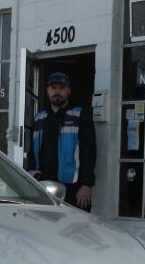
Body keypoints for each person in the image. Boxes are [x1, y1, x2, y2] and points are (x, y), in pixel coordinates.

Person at [27, 71, 96, 210]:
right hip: (43, 186)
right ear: (47, 90)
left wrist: (87, 184)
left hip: (73, 188)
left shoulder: (80, 115)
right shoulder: (40, 117)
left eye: (61, 88)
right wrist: (30, 176)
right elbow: (32, 152)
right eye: (53, 88)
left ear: (68, 91)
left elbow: (90, 151)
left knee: (75, 229)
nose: (57, 91)